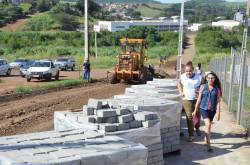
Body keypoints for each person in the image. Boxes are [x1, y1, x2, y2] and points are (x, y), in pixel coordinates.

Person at [192, 71, 221, 152]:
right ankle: (209, 145)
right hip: (203, 108)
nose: (210, 79)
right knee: (208, 124)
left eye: (212, 78)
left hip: (212, 110)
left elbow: (218, 101)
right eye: (209, 78)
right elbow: (199, 99)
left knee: (209, 125)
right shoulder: (202, 87)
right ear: (206, 79)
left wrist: (218, 113)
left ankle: (206, 138)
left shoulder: (217, 89)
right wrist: (195, 110)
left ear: (214, 79)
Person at [178, 61, 202, 142]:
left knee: (197, 114)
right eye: (186, 71)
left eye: (190, 71)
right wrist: (181, 91)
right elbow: (178, 82)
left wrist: (199, 91)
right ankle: (191, 134)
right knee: (189, 116)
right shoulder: (182, 76)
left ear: (193, 70)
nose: (188, 73)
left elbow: (202, 85)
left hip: (196, 98)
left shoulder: (198, 77)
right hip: (186, 99)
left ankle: (197, 127)